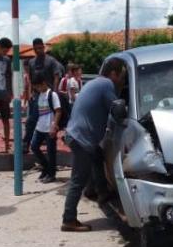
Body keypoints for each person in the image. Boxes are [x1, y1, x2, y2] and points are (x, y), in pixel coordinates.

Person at [61, 58, 126, 232]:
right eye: (121, 75)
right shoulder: (107, 85)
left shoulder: (96, 83)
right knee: (77, 180)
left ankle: (98, 192)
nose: (121, 79)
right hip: (82, 139)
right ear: (113, 73)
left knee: (97, 157)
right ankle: (69, 219)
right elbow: (117, 111)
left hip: (76, 134)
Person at [23, 38, 63, 154]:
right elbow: (30, 79)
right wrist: (30, 92)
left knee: (51, 121)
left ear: (43, 47)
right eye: (36, 49)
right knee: (31, 120)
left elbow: (56, 76)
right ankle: (26, 143)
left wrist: (54, 93)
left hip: (49, 95)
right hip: (36, 96)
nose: (38, 50)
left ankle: (49, 143)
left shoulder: (51, 61)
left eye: (40, 48)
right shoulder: (31, 62)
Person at [30, 73, 62, 184]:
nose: (37, 89)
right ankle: (46, 167)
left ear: (43, 83)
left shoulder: (52, 95)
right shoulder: (39, 96)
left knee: (51, 152)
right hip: (40, 127)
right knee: (34, 146)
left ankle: (51, 174)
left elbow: (58, 111)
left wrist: (54, 126)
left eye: (38, 86)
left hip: (50, 128)